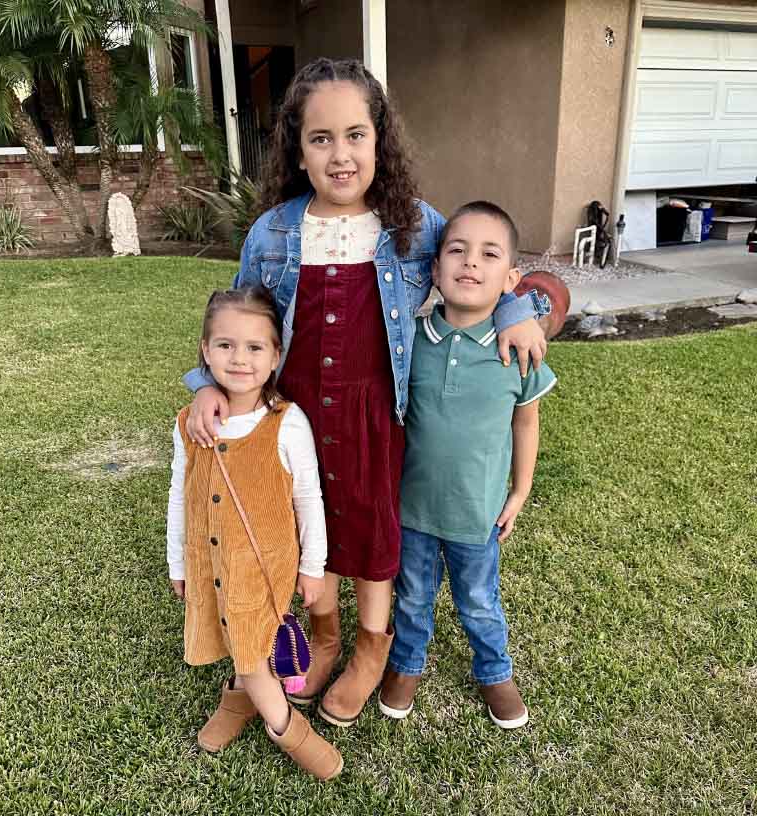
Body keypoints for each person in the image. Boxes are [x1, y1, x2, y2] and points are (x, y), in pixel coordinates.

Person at [182, 58, 551, 728]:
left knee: (372, 525)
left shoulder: (414, 224)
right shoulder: (273, 233)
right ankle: (323, 636)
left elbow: (479, 262)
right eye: (321, 138)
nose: (341, 154)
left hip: (377, 416)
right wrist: (208, 384)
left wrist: (515, 308)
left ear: (380, 139)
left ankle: (370, 651)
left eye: (356, 135)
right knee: (305, 522)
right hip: (293, 417)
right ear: (297, 148)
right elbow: (235, 318)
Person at [378, 201, 557, 729]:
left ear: (511, 279)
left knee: (479, 601)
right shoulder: (408, 341)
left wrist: (520, 491)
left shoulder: (517, 350)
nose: (470, 263)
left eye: (488, 254)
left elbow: (526, 423)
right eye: (456, 250)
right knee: (411, 598)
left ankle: (494, 671)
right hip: (412, 511)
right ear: (435, 270)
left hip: (477, 516)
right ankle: (407, 664)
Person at [166, 287, 342, 780]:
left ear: (275, 357)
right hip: (209, 561)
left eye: (254, 348)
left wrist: (313, 567)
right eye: (224, 345)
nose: (238, 359)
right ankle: (238, 699)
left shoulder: (288, 424)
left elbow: (309, 499)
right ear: (205, 350)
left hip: (263, 566)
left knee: (250, 645)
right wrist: (178, 565)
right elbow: (180, 494)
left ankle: (289, 729)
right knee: (235, 637)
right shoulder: (188, 423)